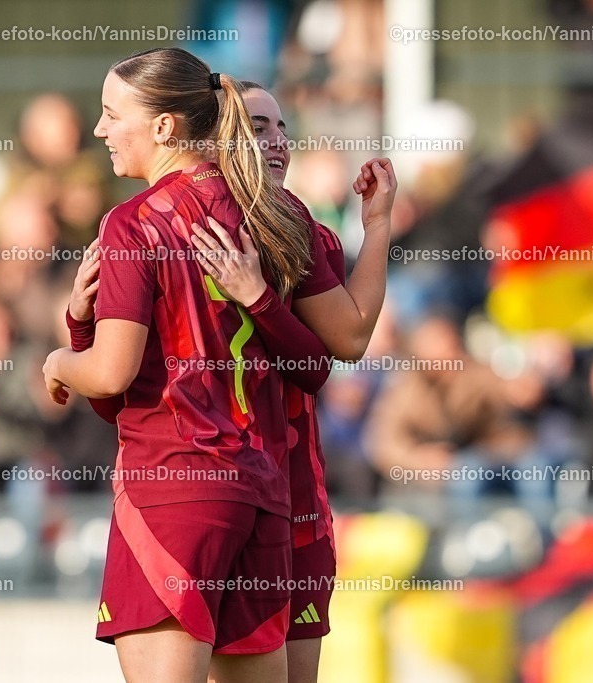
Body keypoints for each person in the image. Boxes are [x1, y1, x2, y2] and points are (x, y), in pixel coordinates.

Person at [63, 79, 397, 682]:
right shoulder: (266, 220)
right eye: (258, 126)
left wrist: (66, 354)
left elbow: (332, 354)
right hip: (256, 486)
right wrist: (81, 322)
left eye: (282, 127)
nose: (274, 142)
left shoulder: (283, 224)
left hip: (250, 490)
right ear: (220, 135)